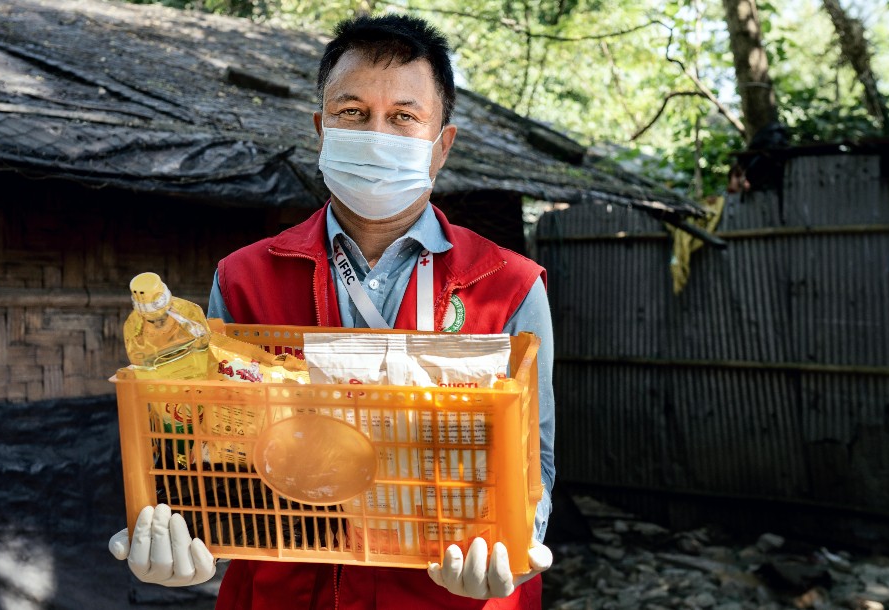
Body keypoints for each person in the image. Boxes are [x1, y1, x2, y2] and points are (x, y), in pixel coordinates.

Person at [108, 14, 556, 609]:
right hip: (283, 592)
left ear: (441, 144)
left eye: (404, 116)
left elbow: (536, 459)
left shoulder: (509, 285)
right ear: (322, 130)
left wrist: (518, 550)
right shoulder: (243, 276)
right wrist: (191, 536)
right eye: (352, 113)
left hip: (452, 593)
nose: (378, 134)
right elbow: (206, 446)